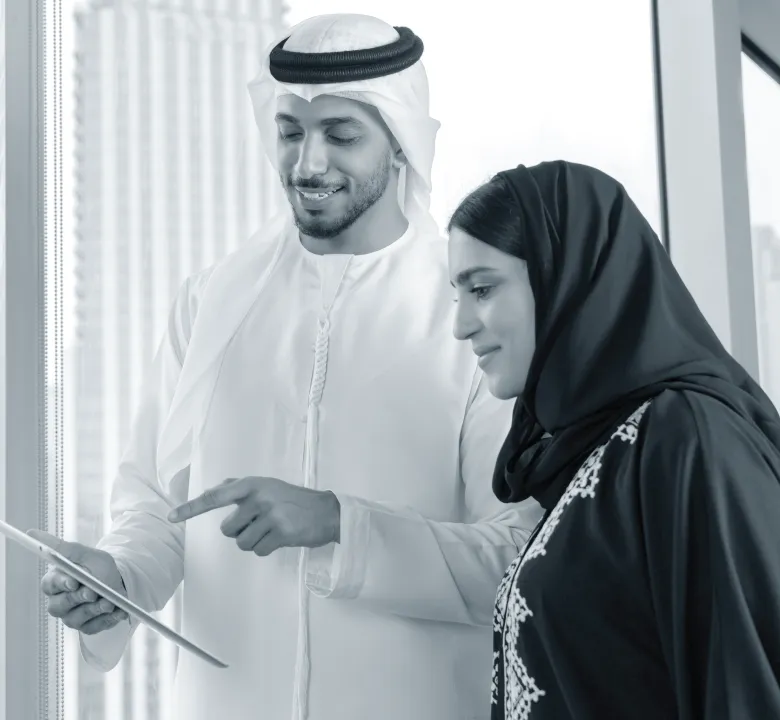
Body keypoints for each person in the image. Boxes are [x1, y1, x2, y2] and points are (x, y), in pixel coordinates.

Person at [31, 14, 543, 720]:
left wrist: (341, 523)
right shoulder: (211, 301)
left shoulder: (467, 312)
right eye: (290, 131)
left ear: (400, 144)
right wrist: (116, 576)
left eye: (341, 134)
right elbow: (156, 506)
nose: (307, 164)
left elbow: (515, 560)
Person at [447, 160, 780, 719]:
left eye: (482, 289)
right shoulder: (587, 455)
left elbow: (747, 686)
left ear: (568, 278)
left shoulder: (688, 438)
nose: (460, 324)